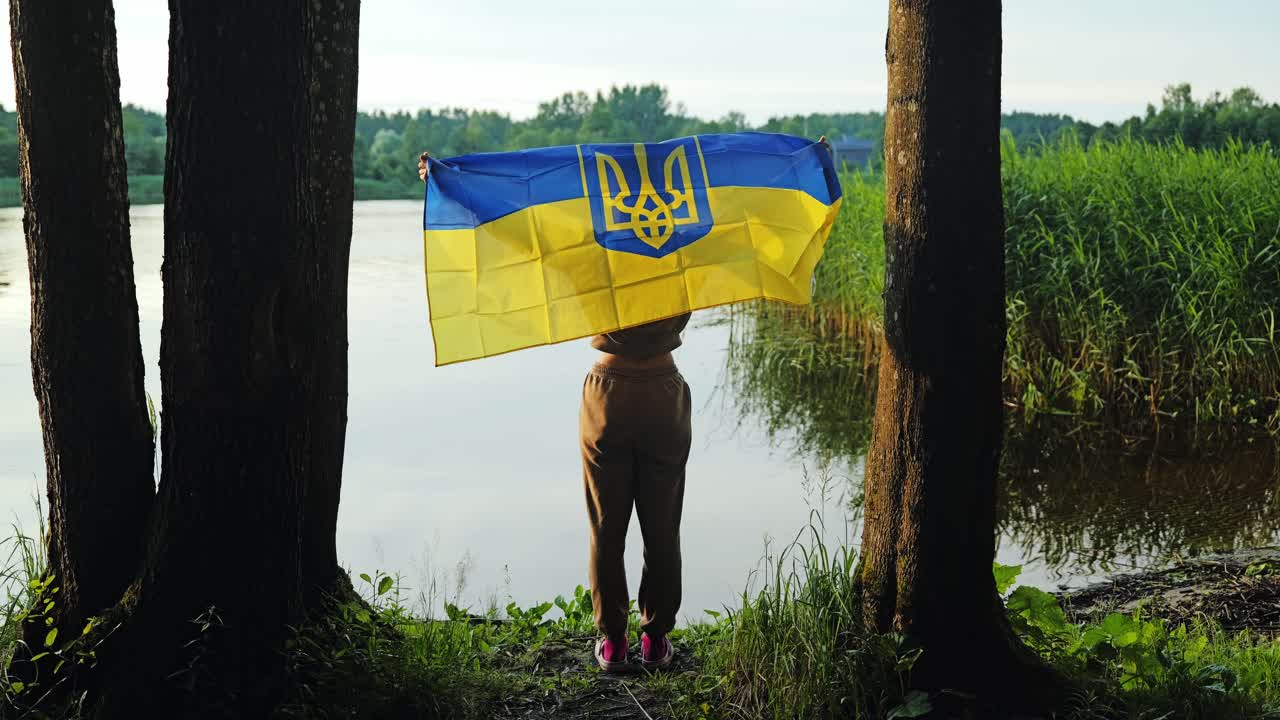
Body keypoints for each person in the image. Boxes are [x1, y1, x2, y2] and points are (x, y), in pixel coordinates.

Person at [419, 153, 692, 672]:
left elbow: (526, 234)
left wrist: (452, 184)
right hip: (663, 390)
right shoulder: (683, 254)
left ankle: (613, 643)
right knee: (663, 527)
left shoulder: (593, 255)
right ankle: (655, 639)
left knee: (606, 528)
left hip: (607, 394)